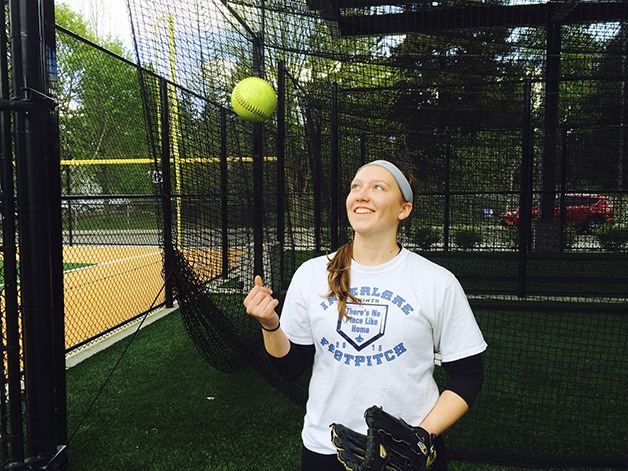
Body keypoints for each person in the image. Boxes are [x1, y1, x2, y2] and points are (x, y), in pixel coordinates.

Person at [244, 159, 487, 471]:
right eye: (355, 187)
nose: (361, 194)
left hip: (408, 458)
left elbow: (468, 374)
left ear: (404, 209)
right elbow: (291, 367)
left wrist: (420, 437)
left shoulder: (436, 282)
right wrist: (270, 325)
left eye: (377, 187)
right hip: (325, 450)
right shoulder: (311, 274)